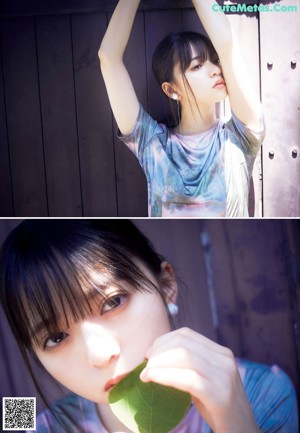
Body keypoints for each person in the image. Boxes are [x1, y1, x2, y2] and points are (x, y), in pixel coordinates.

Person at [0, 219, 298, 433]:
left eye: (113, 301)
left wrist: (237, 425)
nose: (100, 355)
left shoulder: (263, 393)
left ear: (166, 284)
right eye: (55, 337)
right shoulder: (34, 424)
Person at [98, 0, 265, 217]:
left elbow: (228, 46)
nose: (215, 70)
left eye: (215, 61)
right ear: (171, 90)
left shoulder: (240, 137)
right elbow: (108, 58)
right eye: (196, 66)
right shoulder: (153, 145)